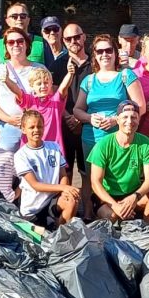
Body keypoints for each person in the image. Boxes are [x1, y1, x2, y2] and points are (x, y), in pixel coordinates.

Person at [73, 34, 146, 163]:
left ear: (115, 53)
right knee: (94, 180)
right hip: (91, 138)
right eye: (100, 51)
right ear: (95, 55)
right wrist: (90, 118)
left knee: (119, 180)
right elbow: (77, 110)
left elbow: (141, 107)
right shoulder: (89, 80)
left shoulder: (126, 75)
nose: (104, 54)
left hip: (120, 138)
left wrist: (116, 120)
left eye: (108, 50)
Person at [88, 100, 149, 221]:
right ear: (117, 120)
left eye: (134, 117)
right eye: (125, 117)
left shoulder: (146, 143)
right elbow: (95, 182)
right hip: (108, 197)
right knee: (111, 216)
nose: (129, 121)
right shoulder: (103, 144)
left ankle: (148, 234)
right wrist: (115, 206)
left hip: (133, 194)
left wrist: (136, 196)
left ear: (139, 120)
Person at [51, 23, 92, 208]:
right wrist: (68, 116)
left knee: (88, 172)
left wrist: (82, 117)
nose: (73, 41)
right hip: (64, 124)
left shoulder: (95, 63)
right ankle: (67, 211)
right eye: (68, 39)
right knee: (65, 173)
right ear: (63, 41)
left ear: (84, 37)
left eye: (77, 37)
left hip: (88, 124)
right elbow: (53, 94)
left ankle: (89, 212)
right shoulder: (58, 64)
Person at [13, 110, 79, 226]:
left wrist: (64, 192)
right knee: (39, 240)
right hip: (32, 209)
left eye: (39, 126)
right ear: (23, 129)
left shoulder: (53, 146)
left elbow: (63, 175)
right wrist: (63, 187)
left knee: (71, 200)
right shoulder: (21, 155)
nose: (36, 130)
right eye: (31, 127)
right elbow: (35, 185)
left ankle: (60, 235)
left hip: (51, 201)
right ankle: (47, 229)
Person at [0, 27, 45, 152]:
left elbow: (48, 97)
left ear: (26, 43)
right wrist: (8, 119)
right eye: (11, 42)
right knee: (7, 165)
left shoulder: (40, 69)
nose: (16, 45)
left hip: (35, 128)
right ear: (5, 46)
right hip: (7, 128)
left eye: (20, 41)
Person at [1, 65, 74, 151]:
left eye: (46, 83)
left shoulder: (56, 102)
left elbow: (63, 88)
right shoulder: (29, 101)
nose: (43, 86)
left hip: (52, 149)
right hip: (30, 149)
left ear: (51, 84)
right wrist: (7, 80)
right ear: (32, 85)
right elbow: (17, 91)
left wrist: (70, 73)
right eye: (39, 83)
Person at [0, 3, 55, 70]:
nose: (19, 19)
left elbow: (52, 70)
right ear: (7, 21)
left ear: (28, 20)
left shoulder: (41, 42)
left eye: (23, 16)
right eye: (14, 16)